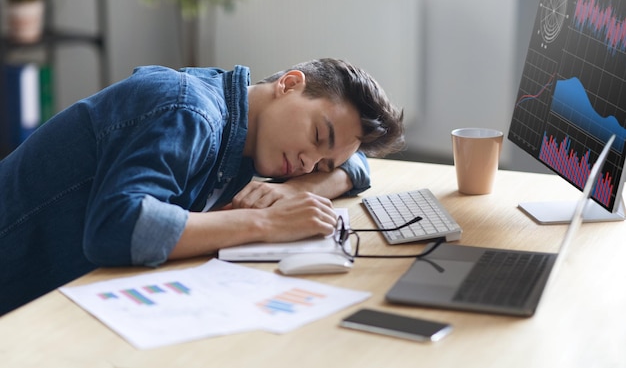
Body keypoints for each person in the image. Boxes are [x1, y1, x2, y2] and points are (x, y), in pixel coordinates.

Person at [0, 58, 404, 315]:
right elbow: (119, 228)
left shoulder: (251, 135)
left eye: (322, 163)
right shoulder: (188, 111)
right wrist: (266, 224)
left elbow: (358, 165)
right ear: (289, 83)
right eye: (318, 136)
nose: (307, 163)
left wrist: (303, 189)